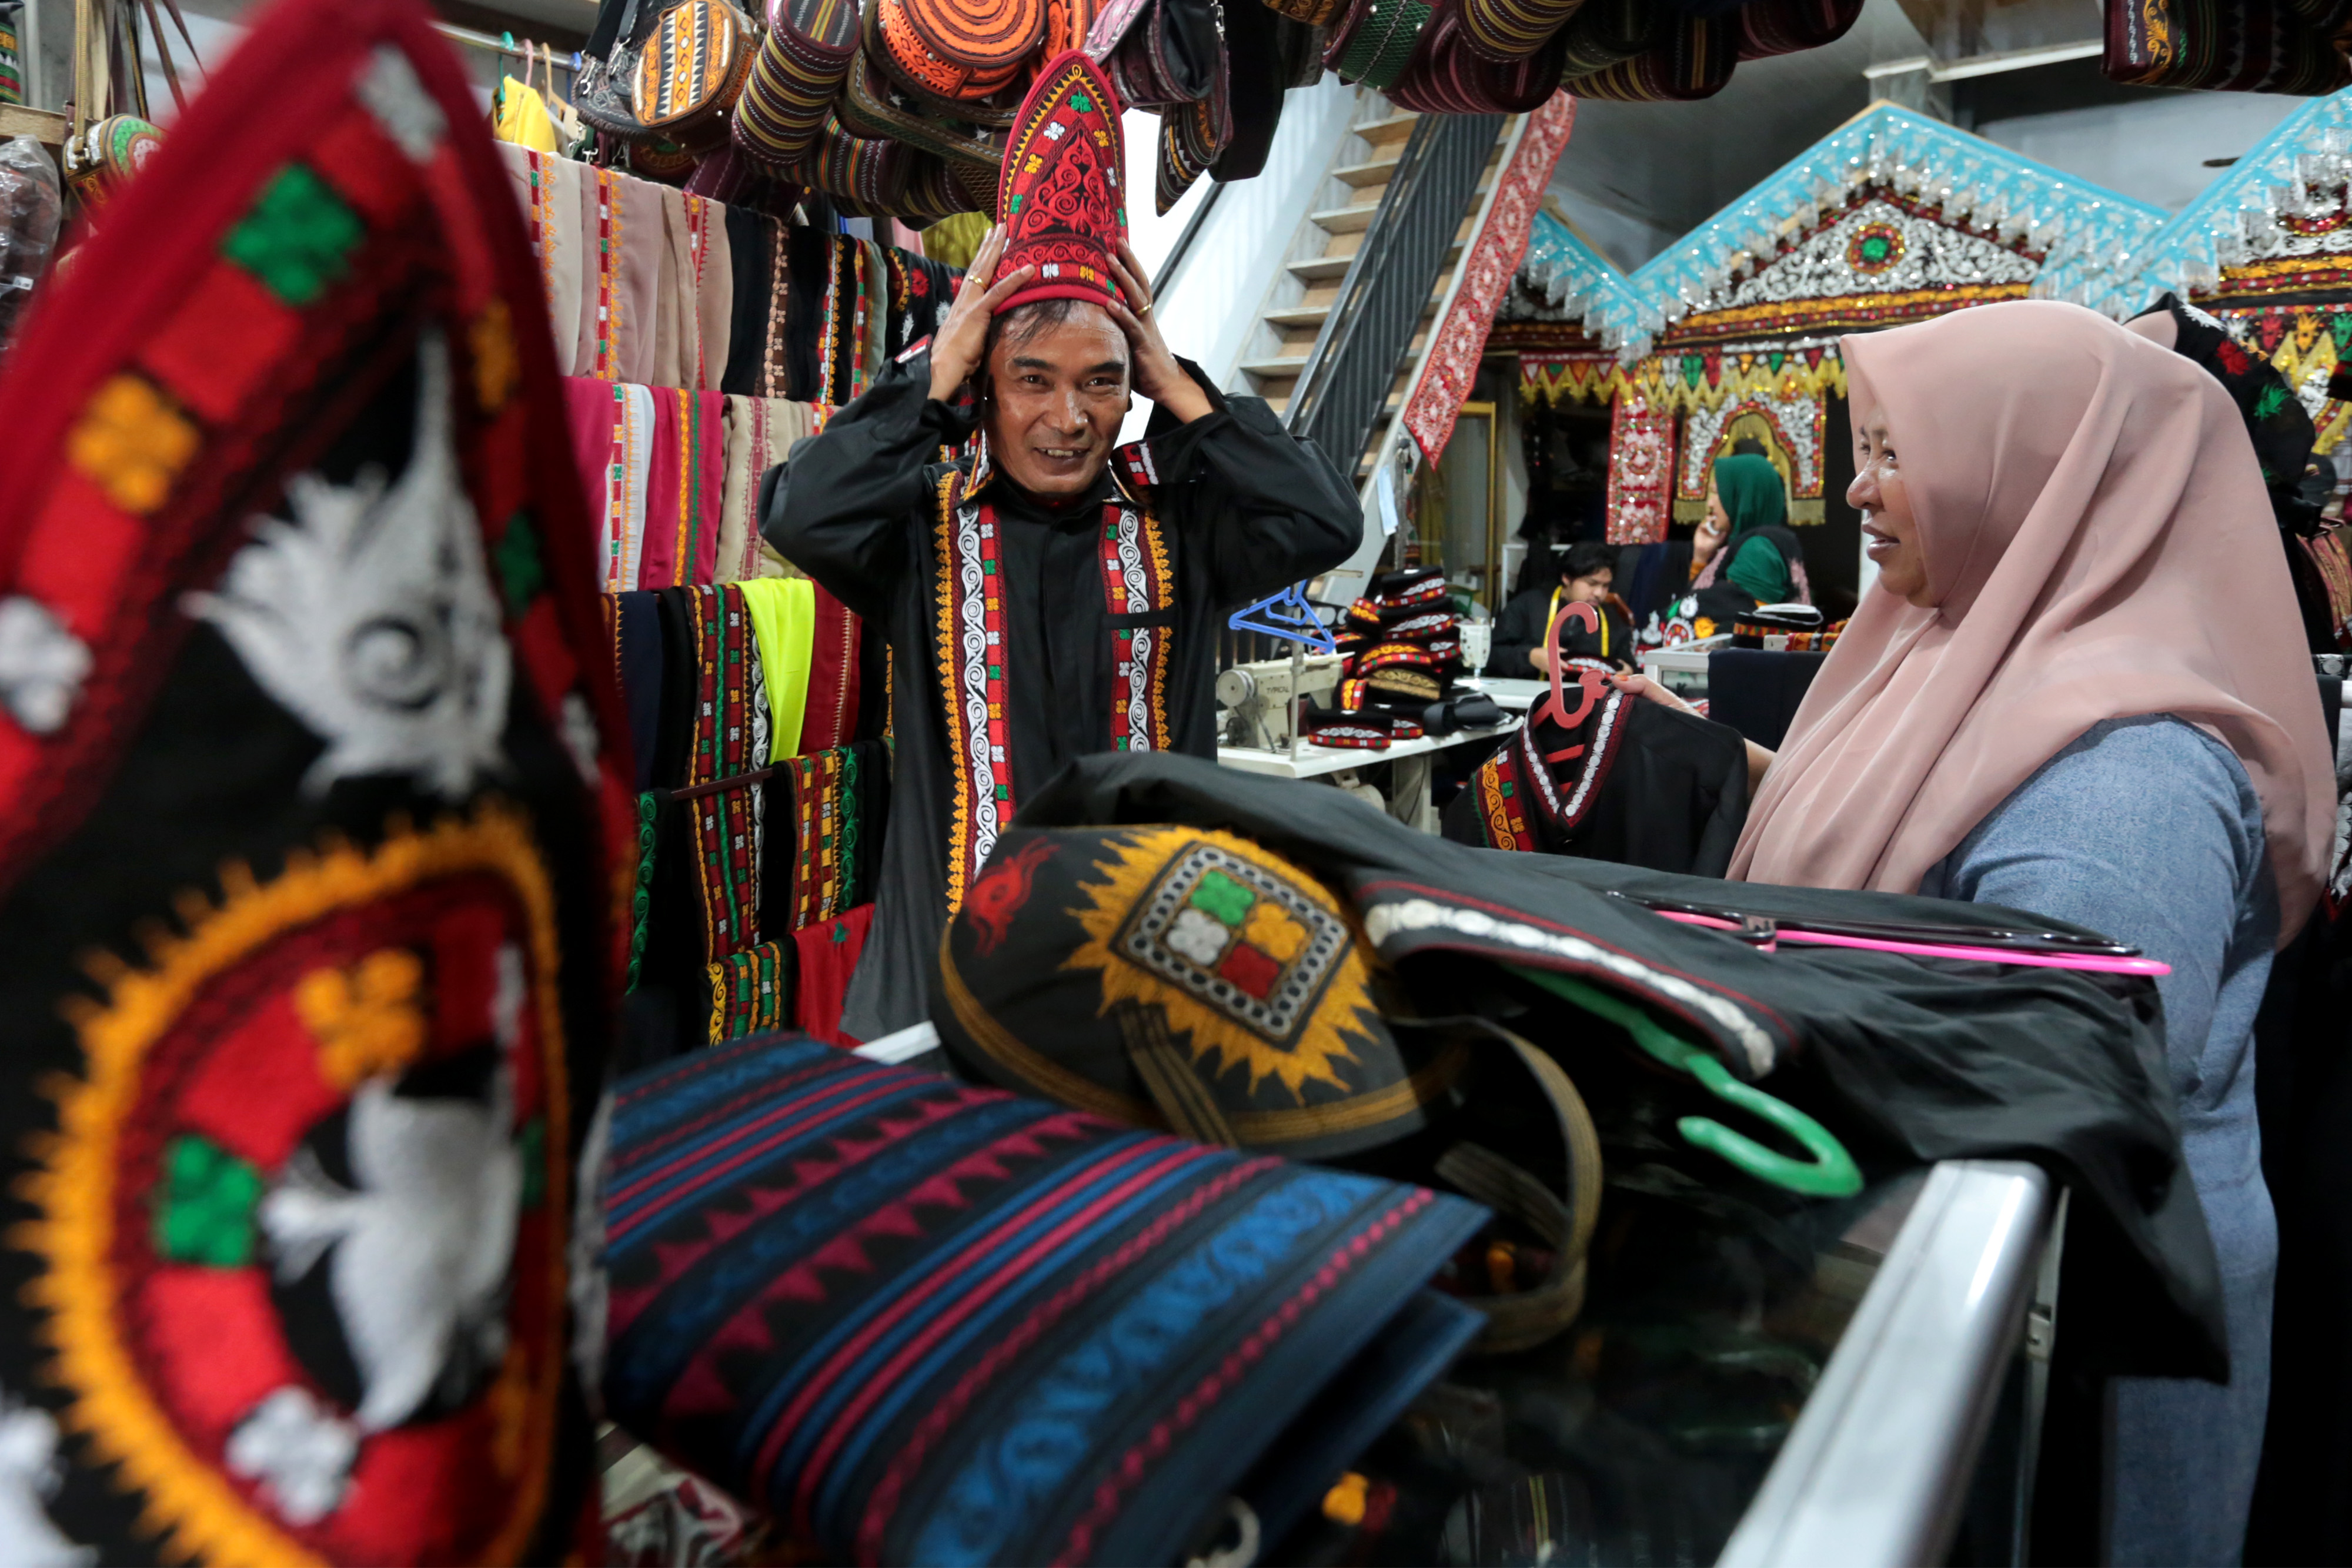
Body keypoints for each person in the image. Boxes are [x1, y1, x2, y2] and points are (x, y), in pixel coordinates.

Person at [1613, 300, 2335, 1566]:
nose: (1854, 490)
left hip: (2076, 1330)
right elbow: (1940, 837)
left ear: (2037, 478)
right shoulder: (1965, 649)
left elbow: (2055, 1062)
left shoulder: (2129, 765)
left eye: (1895, 452)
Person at [761, 59, 1359, 1042]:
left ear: (1134, 395)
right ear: (988, 386)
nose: (1067, 417)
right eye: (1031, 379)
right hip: (936, 986)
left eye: (1102, 383)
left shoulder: (1177, 526)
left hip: (1146, 987)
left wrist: (1186, 389)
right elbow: (800, 513)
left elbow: (1326, 522)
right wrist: (938, 373)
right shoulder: (923, 525)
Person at [1492, 540, 1635, 674]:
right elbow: (1492, 655)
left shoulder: (1612, 619)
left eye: (1605, 586)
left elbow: (1629, 665)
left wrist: (1628, 672)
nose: (1599, 593)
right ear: (1567, 578)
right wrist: (1530, 657)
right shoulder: (1527, 606)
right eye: (1592, 584)